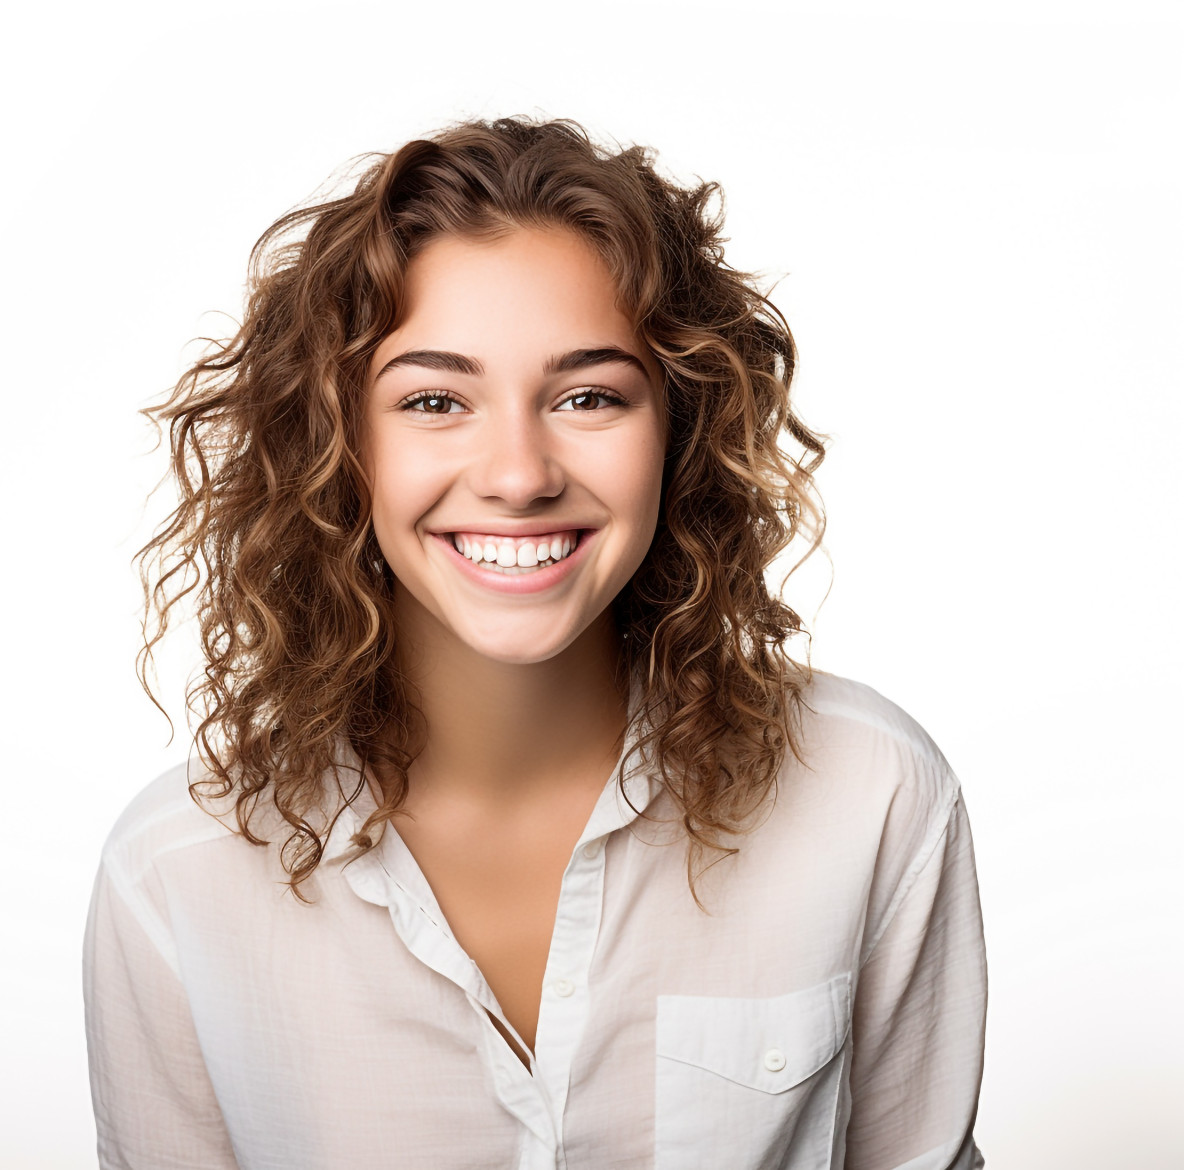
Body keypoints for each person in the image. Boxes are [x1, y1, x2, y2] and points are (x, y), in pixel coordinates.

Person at [83, 115, 988, 1169]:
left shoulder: (867, 794)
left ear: (678, 430)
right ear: (338, 445)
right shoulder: (176, 879)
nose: (518, 474)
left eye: (588, 396)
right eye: (433, 399)